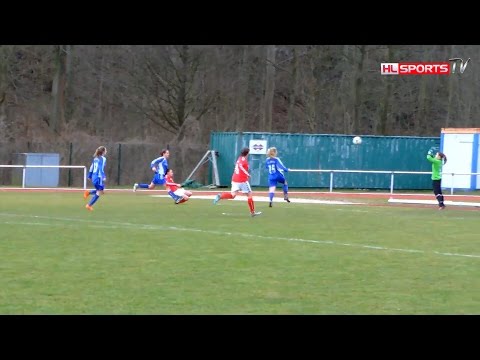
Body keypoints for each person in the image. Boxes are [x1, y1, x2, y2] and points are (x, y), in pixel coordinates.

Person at [213, 147, 262, 217]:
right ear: (247, 153)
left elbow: (240, 166)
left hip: (235, 179)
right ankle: (252, 212)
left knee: (233, 195)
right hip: (242, 180)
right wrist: (247, 173)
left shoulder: (239, 158)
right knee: (249, 195)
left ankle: (220, 196)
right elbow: (241, 166)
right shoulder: (243, 160)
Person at [83, 146, 107, 211]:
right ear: (103, 152)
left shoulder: (95, 158)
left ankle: (88, 193)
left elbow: (91, 167)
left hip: (94, 177)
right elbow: (100, 168)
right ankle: (89, 205)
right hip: (98, 177)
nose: (106, 152)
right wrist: (103, 176)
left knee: (101, 191)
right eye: (105, 150)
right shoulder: (103, 159)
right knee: (100, 192)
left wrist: (89, 175)